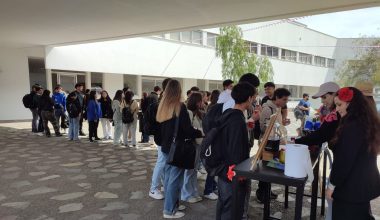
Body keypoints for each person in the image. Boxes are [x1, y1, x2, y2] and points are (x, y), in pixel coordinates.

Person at [326, 87, 380, 219]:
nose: (337, 109)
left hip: (351, 189)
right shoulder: (364, 121)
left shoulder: (353, 126)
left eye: (339, 105)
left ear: (352, 104)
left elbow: (344, 161)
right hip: (360, 186)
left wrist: (332, 185)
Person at [294, 82, 340, 220]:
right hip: (342, 160)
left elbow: (321, 135)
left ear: (334, 95)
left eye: (325, 97)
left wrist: (297, 141)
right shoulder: (334, 112)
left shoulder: (337, 114)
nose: (323, 101)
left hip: (344, 162)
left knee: (334, 198)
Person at [157, 79, 202, 219]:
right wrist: (199, 132)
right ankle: (169, 210)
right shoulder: (179, 107)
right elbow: (187, 130)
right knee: (174, 180)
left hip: (166, 147)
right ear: (178, 91)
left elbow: (160, 129)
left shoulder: (163, 106)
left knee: (170, 178)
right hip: (177, 148)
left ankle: (173, 205)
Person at [216, 82, 257, 220]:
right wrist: (239, 173)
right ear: (250, 98)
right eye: (254, 97)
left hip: (223, 169)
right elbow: (235, 148)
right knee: (231, 207)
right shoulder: (237, 119)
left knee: (224, 204)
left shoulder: (229, 113)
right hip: (231, 172)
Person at [256, 88, 291, 203]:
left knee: (271, 168)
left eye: (287, 99)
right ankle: (261, 193)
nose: (286, 102)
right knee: (265, 169)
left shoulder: (278, 108)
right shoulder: (267, 108)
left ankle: (267, 191)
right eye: (284, 99)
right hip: (266, 144)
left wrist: (282, 124)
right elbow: (263, 128)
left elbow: (277, 125)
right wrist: (275, 128)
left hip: (275, 143)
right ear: (276, 97)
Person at [148, 78, 172, 200]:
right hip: (163, 138)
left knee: (162, 161)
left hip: (161, 137)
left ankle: (159, 185)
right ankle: (153, 188)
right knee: (162, 162)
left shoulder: (162, 101)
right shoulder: (162, 103)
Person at [181, 92, 204, 203]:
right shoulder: (189, 113)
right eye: (201, 101)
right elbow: (189, 130)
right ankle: (186, 194)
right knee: (189, 171)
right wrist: (199, 133)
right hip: (191, 145)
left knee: (193, 170)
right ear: (197, 102)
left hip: (197, 145)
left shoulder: (197, 113)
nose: (203, 102)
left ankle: (193, 192)